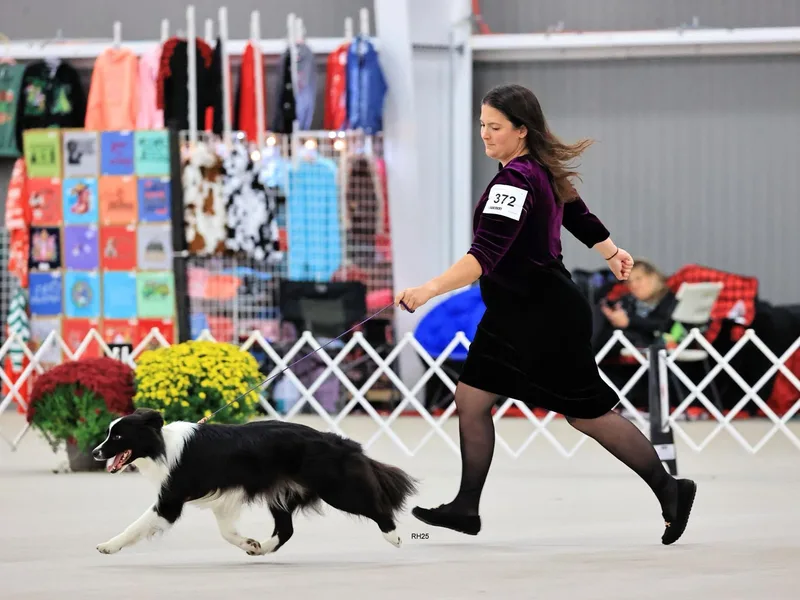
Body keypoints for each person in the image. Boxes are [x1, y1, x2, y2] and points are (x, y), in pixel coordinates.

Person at [394, 83, 696, 545]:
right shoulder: (539, 171)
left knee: (587, 413)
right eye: (482, 126)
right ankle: (466, 507)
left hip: (544, 315)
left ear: (521, 130)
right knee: (471, 400)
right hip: (513, 312)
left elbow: (485, 254)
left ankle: (670, 489)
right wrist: (612, 252)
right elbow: (578, 214)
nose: (485, 135)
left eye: (495, 127)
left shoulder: (515, 181)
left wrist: (429, 289)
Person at [600, 259, 678, 348]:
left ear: (653, 277)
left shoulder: (669, 298)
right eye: (629, 281)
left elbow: (664, 324)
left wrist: (629, 321)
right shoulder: (629, 301)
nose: (633, 285)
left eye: (638, 279)